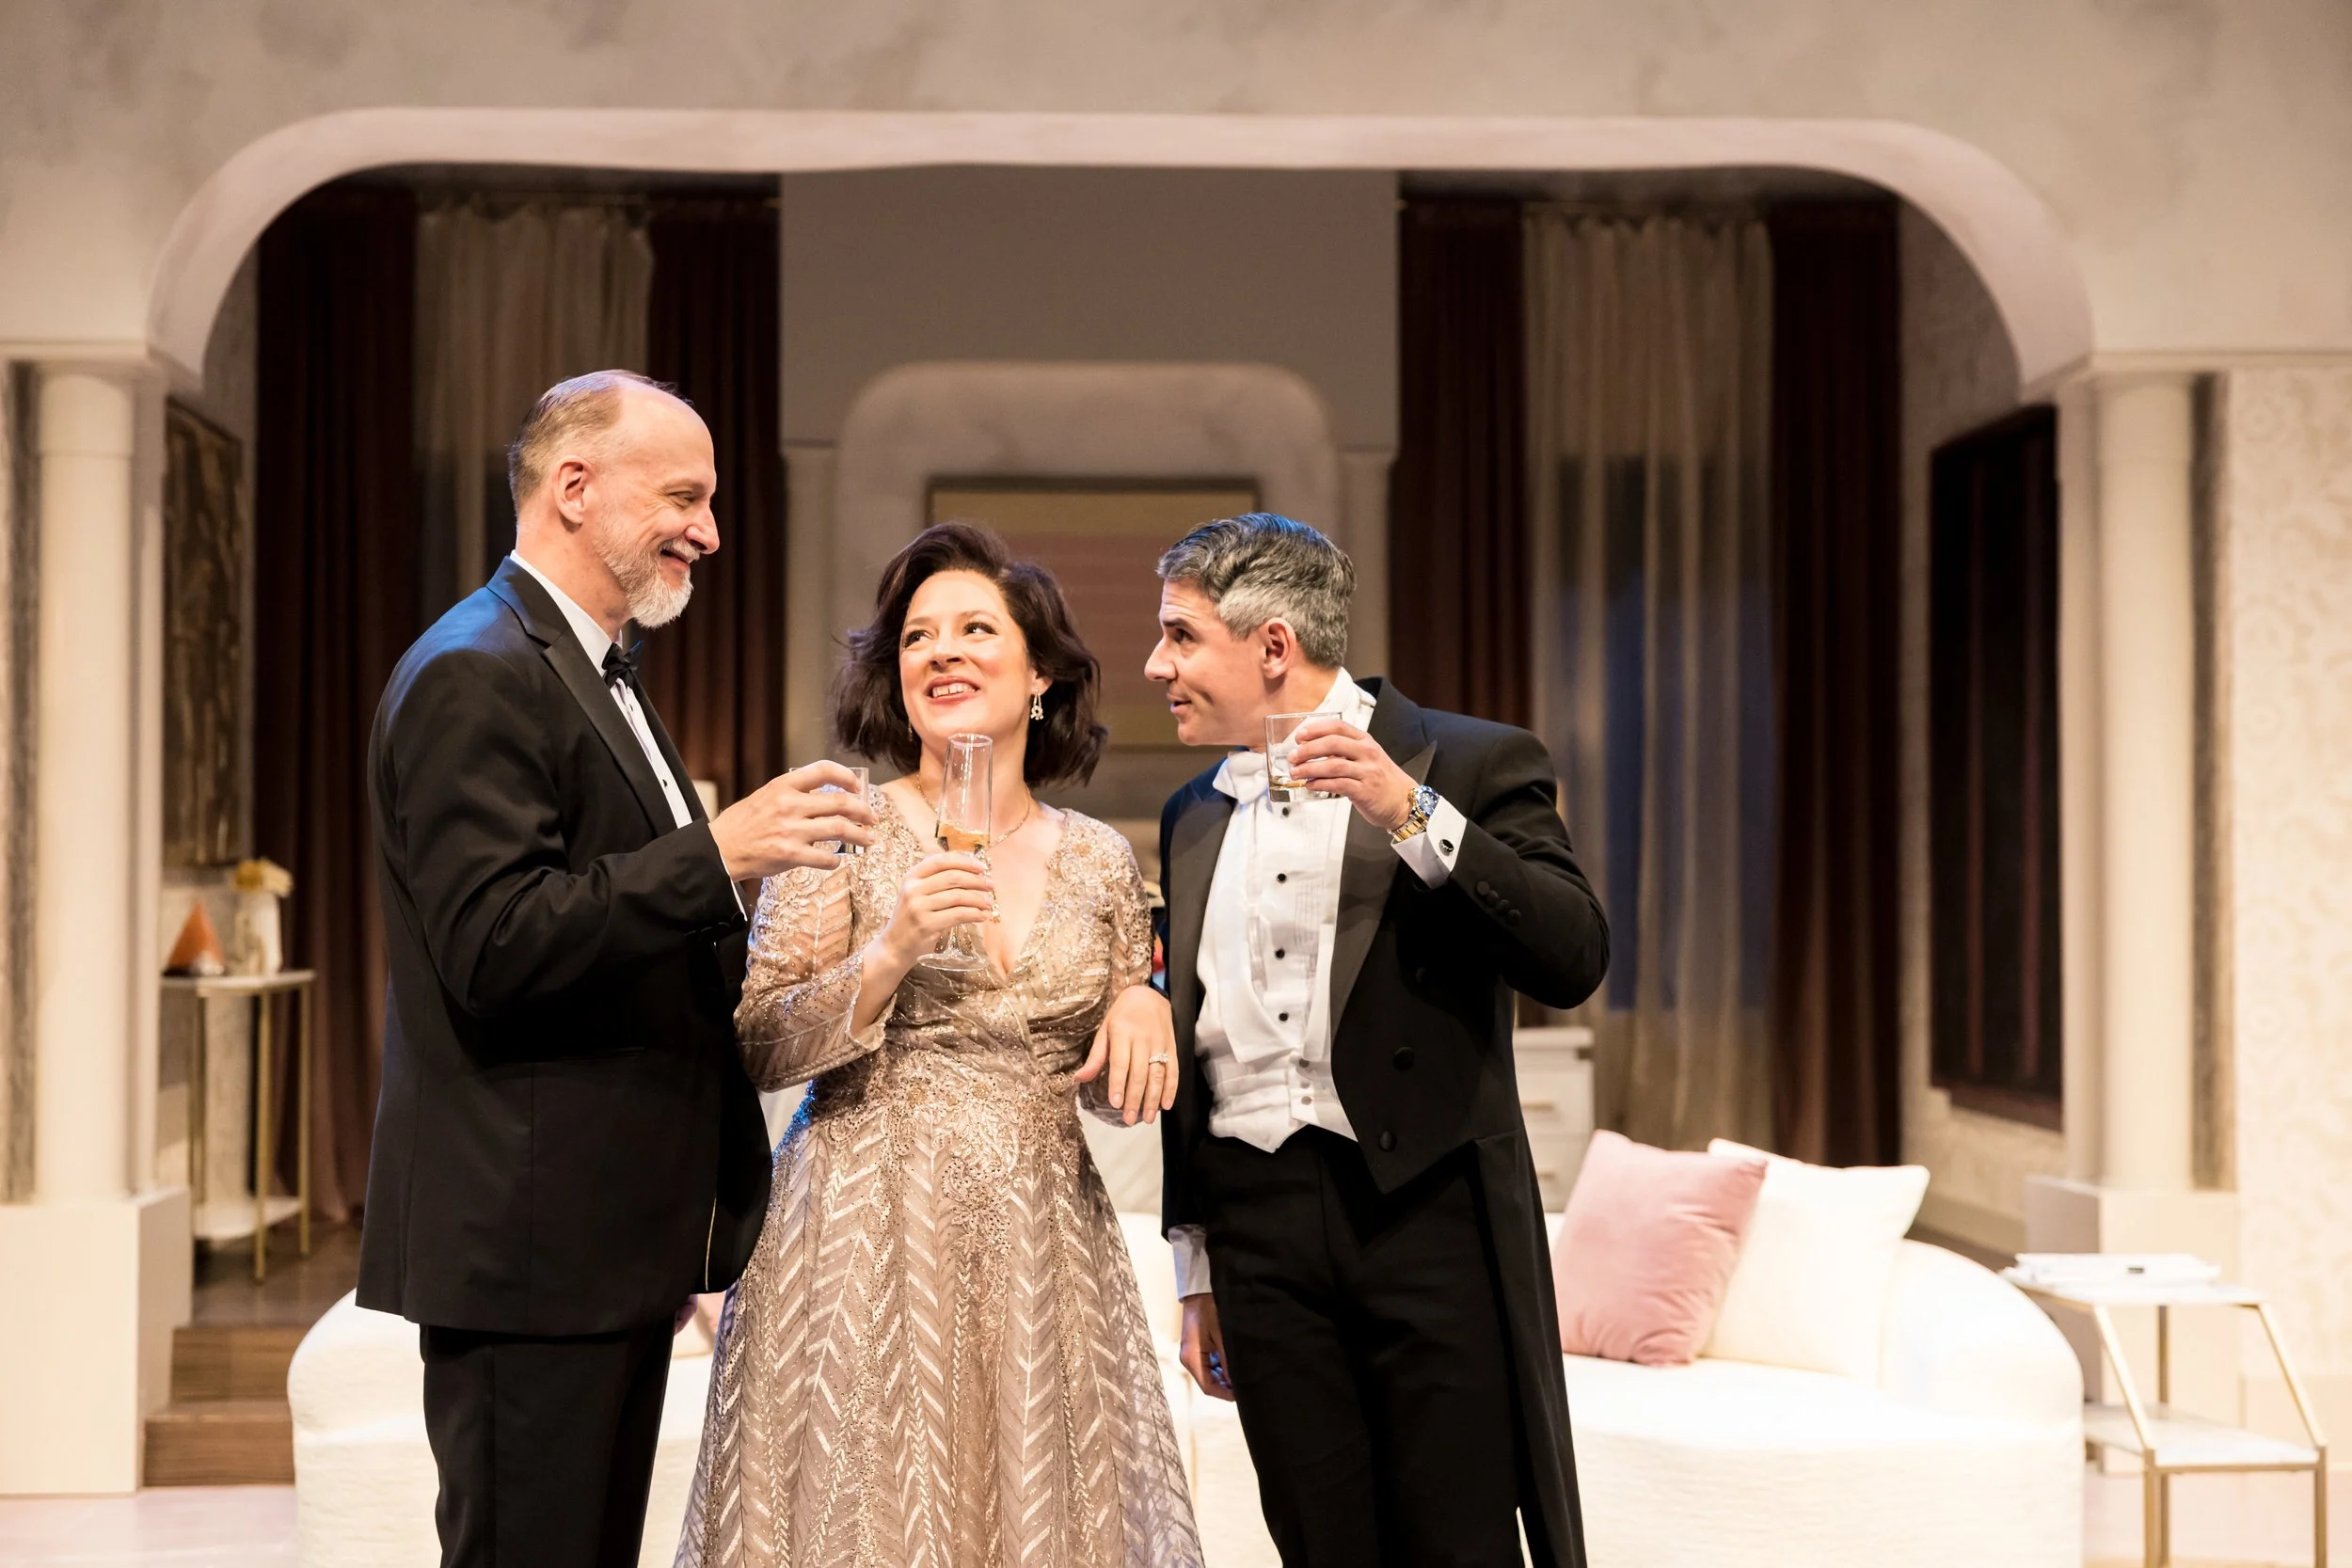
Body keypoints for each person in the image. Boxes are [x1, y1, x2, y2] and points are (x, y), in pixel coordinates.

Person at [358, 371, 879, 1568]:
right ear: (575, 488)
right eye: (684, 496)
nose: (707, 528)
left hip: (599, 1241)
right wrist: (721, 851)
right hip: (527, 1241)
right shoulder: (474, 669)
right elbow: (493, 942)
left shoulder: (592, 664)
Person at [675, 522, 1203, 1568]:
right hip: (862, 1237)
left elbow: (1111, 1091)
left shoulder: (1100, 859)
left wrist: (1143, 1001)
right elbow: (759, 1044)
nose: (942, 652)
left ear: (1039, 672)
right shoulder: (839, 829)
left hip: (1044, 1246)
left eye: (974, 628)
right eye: (918, 637)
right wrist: (890, 948)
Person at [1148, 514, 1610, 1568]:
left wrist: (1409, 808)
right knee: (1318, 1541)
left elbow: (1573, 954)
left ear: (1272, 646)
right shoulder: (1190, 811)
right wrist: (1198, 1265)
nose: (1155, 663)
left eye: (1179, 635)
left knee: (1459, 1542)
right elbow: (1202, 1047)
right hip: (1258, 1229)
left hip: (1425, 1214)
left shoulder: (1474, 759)